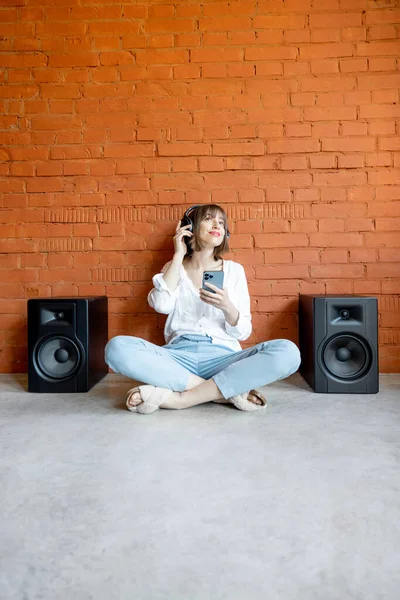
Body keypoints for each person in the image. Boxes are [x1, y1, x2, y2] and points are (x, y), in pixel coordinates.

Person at [105, 204, 301, 414]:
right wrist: (178, 255)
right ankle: (222, 392)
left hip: (224, 358)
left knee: (288, 352)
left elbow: (243, 332)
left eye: (222, 222)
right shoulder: (173, 268)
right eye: (209, 219)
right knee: (116, 348)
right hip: (178, 358)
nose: (217, 225)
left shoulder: (234, 271)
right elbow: (161, 305)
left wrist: (227, 306)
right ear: (190, 227)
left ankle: (180, 399)